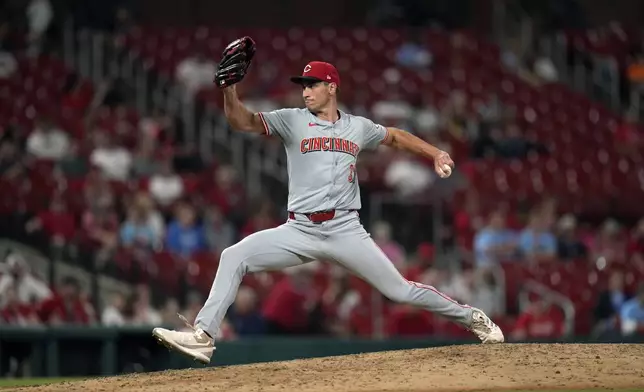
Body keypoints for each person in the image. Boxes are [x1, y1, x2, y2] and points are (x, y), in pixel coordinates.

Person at [153, 39, 503, 364]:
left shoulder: (357, 127)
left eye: (312, 84)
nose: (305, 91)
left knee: (400, 291)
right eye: (303, 85)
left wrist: (435, 152)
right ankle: (204, 335)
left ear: (331, 87)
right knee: (234, 256)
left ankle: (472, 318)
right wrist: (229, 89)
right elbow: (241, 121)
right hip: (300, 228)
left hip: (344, 228)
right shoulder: (292, 120)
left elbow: (394, 137)